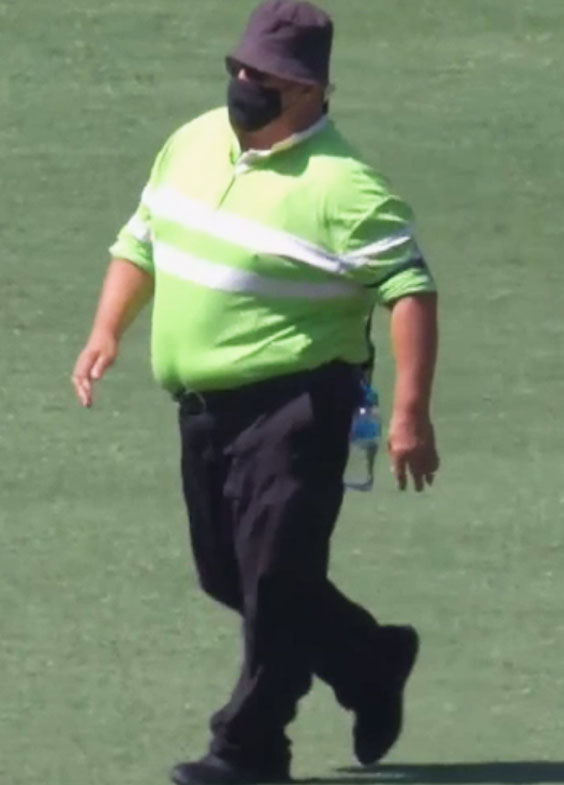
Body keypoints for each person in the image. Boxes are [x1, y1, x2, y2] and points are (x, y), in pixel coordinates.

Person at [68, 3, 438, 783]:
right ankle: (371, 658)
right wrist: (107, 330)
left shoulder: (347, 186)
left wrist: (410, 413)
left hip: (298, 405)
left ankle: (249, 749)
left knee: (273, 579)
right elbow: (141, 237)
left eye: (263, 78)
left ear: (309, 89)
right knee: (226, 572)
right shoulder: (193, 142)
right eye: (237, 70)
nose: (243, 85)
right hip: (204, 410)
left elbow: (410, 289)